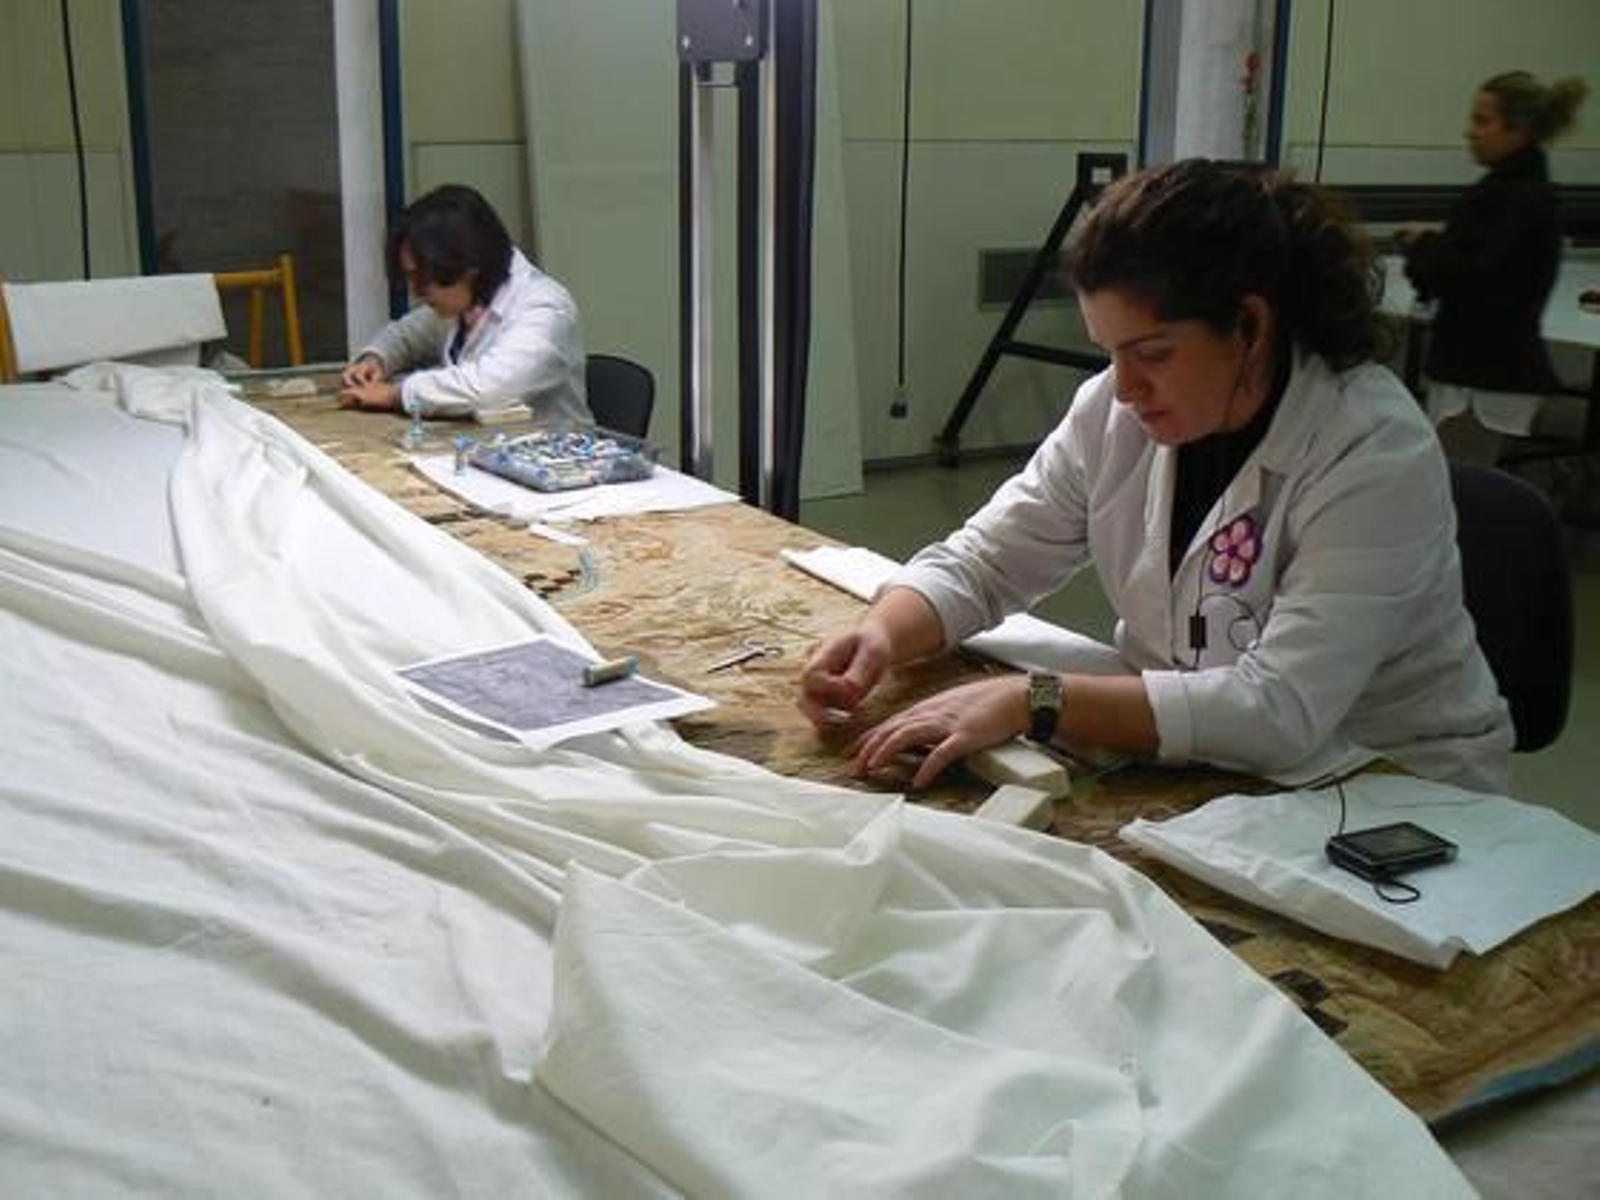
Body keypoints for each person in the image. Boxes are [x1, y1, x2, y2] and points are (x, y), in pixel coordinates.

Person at [800, 159, 1514, 795]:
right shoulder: (1113, 415)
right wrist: (883, 636)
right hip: (1210, 764)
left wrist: (1036, 699)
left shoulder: (1369, 446)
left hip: (1388, 783)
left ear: (1250, 325)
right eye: (1109, 353)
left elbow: (1282, 711)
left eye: (1152, 353)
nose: (1124, 387)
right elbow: (987, 563)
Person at [1397, 71, 1587, 454]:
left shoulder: (1518, 200)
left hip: (1484, 380)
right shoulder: (1511, 194)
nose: (1471, 131)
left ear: (1517, 131)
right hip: (1476, 370)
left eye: (1483, 121)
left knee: (1465, 496)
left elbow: (1473, 278)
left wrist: (1427, 247)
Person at [340, 183, 590, 425]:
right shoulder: (467, 299)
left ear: (468, 267)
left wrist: (395, 394)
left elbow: (487, 389)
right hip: (489, 450)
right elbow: (407, 335)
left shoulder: (545, 310)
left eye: (423, 279)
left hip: (557, 461)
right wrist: (376, 360)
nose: (416, 292)